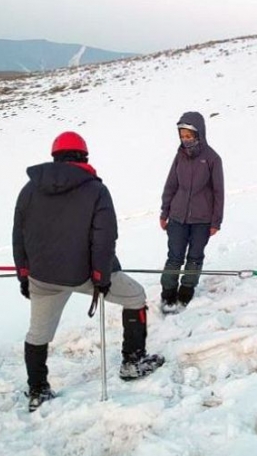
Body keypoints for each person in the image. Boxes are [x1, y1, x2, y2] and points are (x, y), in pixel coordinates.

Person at [13, 131, 164, 412]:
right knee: (135, 297)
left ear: (55, 156)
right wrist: (101, 277)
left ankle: (37, 390)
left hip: (42, 277)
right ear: (84, 156)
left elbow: (18, 236)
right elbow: (104, 239)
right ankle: (133, 361)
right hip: (84, 275)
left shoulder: (29, 189)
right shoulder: (96, 189)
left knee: (37, 333)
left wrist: (23, 274)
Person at [159, 112, 224, 311]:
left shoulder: (212, 158)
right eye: (182, 136)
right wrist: (164, 212)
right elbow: (171, 184)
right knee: (174, 256)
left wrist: (215, 222)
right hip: (177, 216)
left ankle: (186, 291)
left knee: (195, 256)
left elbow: (218, 192)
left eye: (189, 136)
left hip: (202, 220)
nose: (185, 140)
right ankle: (168, 293)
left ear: (199, 134)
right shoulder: (179, 156)